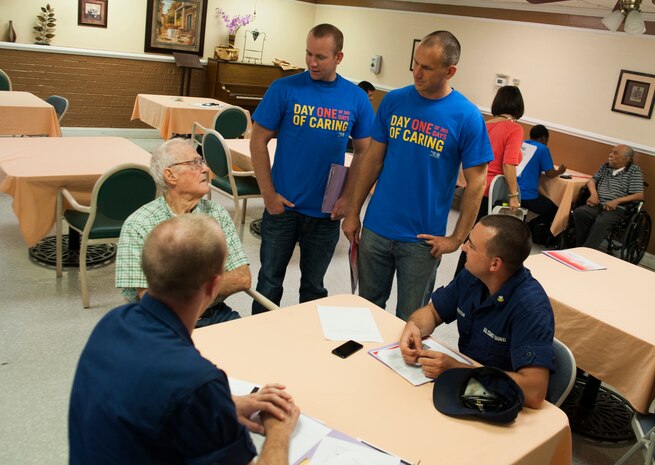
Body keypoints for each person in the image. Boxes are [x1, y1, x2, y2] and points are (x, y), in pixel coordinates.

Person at [70, 215, 300, 465]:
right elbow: (182, 393)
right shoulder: (198, 383)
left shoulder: (112, 323)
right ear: (213, 286)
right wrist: (279, 432)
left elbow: (145, 402)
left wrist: (225, 405)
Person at [342, 30, 493, 321]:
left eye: (427, 67)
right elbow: (372, 160)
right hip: (377, 228)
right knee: (367, 312)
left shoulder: (466, 116)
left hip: (422, 241)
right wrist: (353, 212)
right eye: (415, 63)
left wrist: (456, 238)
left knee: (411, 320)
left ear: (450, 71)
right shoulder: (394, 101)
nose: (417, 72)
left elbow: (477, 183)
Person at [249, 23, 374, 314]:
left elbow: (365, 151)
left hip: (324, 211)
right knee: (269, 282)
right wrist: (268, 195)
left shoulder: (355, 97)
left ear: (339, 57)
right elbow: (258, 141)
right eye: (308, 54)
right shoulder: (285, 88)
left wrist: (347, 198)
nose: (312, 63)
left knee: (314, 287)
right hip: (283, 206)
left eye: (321, 57)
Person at [399, 215, 554, 409]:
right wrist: (413, 327)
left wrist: (457, 369)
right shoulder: (472, 277)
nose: (463, 247)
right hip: (467, 390)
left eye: (471, 246)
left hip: (499, 405)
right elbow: (432, 312)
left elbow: (534, 392)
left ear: (495, 264)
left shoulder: (530, 308)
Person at [115, 138, 250, 326]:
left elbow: (242, 278)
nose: (205, 169)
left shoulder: (216, 213)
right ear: (170, 175)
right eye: (194, 163)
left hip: (214, 314)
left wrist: (177, 289)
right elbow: (150, 297)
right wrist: (210, 284)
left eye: (201, 161)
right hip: (161, 320)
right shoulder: (139, 224)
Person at [454, 85, 524, 276]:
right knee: (487, 247)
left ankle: (458, 285)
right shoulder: (514, 129)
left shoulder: (483, 125)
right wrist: (514, 195)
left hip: (474, 189)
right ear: (518, 107)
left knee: (471, 241)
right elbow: (509, 164)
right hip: (493, 194)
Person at [572, 144, 644, 249]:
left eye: (615, 153)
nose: (610, 155)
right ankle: (581, 248)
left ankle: (586, 252)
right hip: (598, 203)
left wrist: (617, 201)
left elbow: (639, 195)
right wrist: (593, 195)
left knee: (601, 222)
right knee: (580, 212)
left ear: (626, 159)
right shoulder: (606, 166)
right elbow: (592, 180)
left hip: (617, 208)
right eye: (611, 152)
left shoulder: (634, 171)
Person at [518, 125, 566, 242]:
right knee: (555, 209)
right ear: (544, 137)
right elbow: (550, 173)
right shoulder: (542, 149)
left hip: (511, 191)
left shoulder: (522, 144)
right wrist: (560, 171)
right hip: (527, 195)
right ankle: (528, 227)